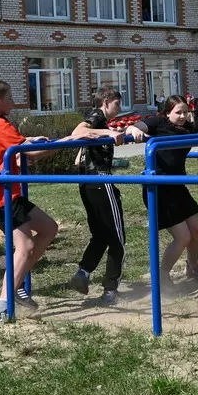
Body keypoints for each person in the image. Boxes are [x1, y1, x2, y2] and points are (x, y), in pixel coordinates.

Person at [127, 95, 198, 291]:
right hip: (159, 188)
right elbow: (134, 127)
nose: (183, 116)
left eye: (186, 112)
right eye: (178, 112)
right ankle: (162, 275)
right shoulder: (158, 123)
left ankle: (192, 266)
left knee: (196, 230)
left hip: (177, 186)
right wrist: (133, 129)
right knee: (183, 236)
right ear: (167, 113)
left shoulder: (188, 128)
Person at [0, 79, 59, 323]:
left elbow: (13, 143)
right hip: (0, 195)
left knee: (49, 228)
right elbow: (31, 153)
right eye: (10, 98)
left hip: (9, 192)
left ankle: (16, 282)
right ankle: (2, 307)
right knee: (25, 247)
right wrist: (62, 143)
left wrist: (29, 139)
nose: (13, 103)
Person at [66, 88, 134, 306]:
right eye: (117, 104)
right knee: (117, 239)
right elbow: (78, 131)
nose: (120, 108)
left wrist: (105, 135)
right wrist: (109, 133)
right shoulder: (97, 117)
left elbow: (78, 157)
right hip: (101, 182)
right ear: (105, 102)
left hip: (87, 183)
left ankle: (83, 273)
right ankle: (110, 290)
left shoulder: (99, 123)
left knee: (101, 235)